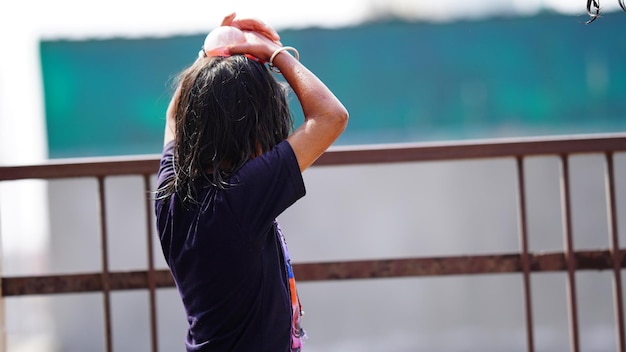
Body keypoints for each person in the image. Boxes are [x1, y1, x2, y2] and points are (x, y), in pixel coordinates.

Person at [155, 13, 348, 352]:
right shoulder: (240, 197)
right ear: (254, 125)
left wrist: (214, 53)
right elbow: (331, 117)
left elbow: (173, 116)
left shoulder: (170, 194)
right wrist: (273, 52)